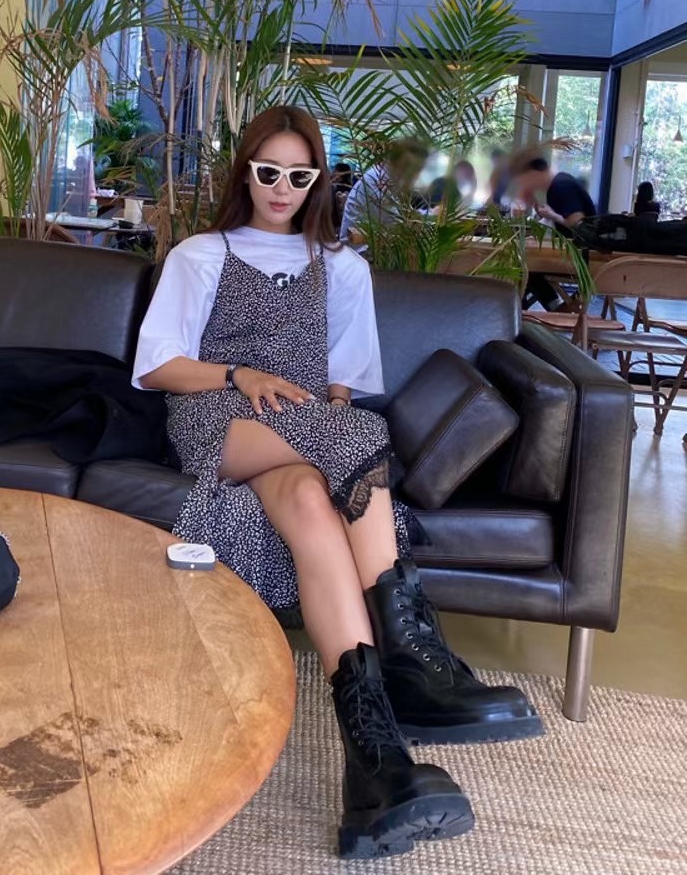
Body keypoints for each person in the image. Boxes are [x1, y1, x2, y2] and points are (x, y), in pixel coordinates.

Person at [132, 105, 540, 861]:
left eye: (299, 175)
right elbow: (158, 366)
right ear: (245, 172)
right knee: (355, 439)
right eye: (267, 172)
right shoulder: (202, 254)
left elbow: (343, 386)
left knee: (309, 499)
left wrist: (316, 422)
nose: (280, 188)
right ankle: (412, 653)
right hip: (217, 416)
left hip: (305, 428)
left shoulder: (343, 267)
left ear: (318, 180)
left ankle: (376, 768)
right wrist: (239, 374)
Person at [510, 155, 596, 310]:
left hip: (582, 257)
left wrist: (552, 216)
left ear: (535, 174)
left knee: (526, 265)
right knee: (525, 263)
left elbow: (578, 224)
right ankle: (529, 310)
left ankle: (554, 308)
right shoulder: (558, 185)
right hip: (577, 252)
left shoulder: (561, 186)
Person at [340, 139, 428, 241]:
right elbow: (395, 224)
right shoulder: (377, 180)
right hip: (359, 247)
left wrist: (429, 214)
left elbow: (404, 215)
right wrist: (429, 217)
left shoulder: (390, 179)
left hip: (377, 241)